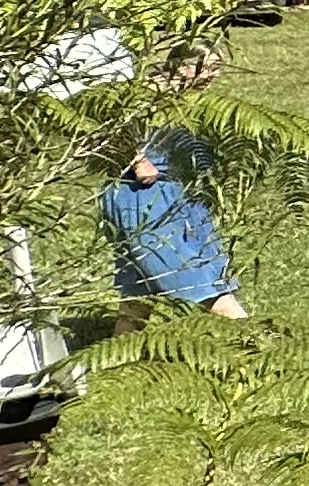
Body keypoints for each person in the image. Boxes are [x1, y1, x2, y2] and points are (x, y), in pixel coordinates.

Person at [101, 52, 246, 315]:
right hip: (145, 198)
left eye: (218, 67)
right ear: (182, 67)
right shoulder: (149, 93)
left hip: (181, 198)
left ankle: (118, 355)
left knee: (137, 299)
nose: (213, 74)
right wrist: (137, 162)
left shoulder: (195, 100)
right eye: (207, 67)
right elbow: (111, 129)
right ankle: (268, 348)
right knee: (205, 285)